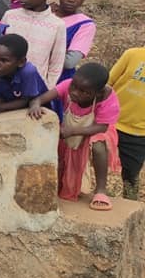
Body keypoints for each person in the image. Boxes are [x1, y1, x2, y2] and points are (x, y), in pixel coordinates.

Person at [29, 63, 121, 209]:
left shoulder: (107, 99)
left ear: (97, 93)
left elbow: (102, 127)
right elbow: (40, 99)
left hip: (96, 131)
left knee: (98, 144)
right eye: (74, 87)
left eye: (84, 92)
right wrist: (35, 105)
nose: (75, 93)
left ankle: (101, 190)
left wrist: (73, 131)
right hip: (70, 130)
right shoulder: (68, 86)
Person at [1, 0, 67, 88]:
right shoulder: (10, 16)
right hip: (5, 83)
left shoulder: (57, 25)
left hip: (35, 86)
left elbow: (56, 62)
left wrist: (47, 87)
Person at [0, 34, 47, 115]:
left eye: (3, 60)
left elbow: (27, 100)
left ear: (21, 62)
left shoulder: (28, 72)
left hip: (38, 105)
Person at [109, 47, 145, 200]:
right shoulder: (132, 54)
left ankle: (130, 207)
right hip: (110, 124)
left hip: (139, 133)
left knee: (130, 177)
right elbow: (108, 83)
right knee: (98, 169)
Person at [54, 0, 96, 83]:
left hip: (59, 82)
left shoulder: (85, 25)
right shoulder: (45, 12)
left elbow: (70, 62)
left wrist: (38, 51)